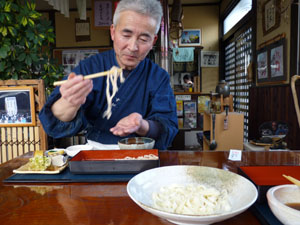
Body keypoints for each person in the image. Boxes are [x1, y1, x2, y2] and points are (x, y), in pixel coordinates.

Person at [39, 0, 178, 150]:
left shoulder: (158, 77)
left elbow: (168, 127)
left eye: (143, 39)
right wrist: (70, 102)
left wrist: (141, 125)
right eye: (126, 35)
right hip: (96, 154)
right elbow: (53, 124)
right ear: (113, 32)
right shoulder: (90, 68)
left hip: (142, 156)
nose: (132, 47)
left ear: (153, 41)